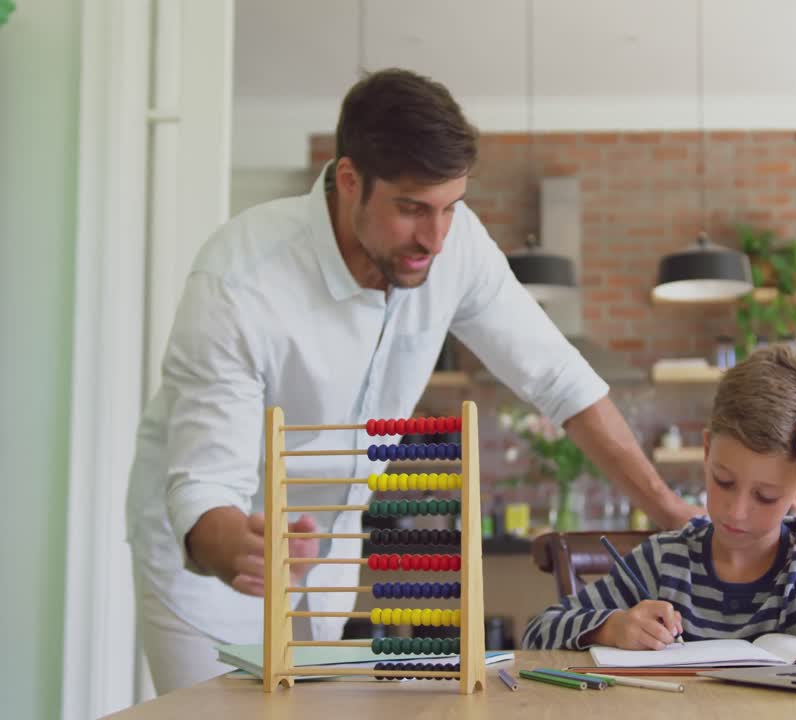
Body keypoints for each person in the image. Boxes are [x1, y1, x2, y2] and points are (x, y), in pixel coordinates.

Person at [125, 68, 698, 693]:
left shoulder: (460, 248)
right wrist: (232, 545)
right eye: (410, 209)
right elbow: (203, 483)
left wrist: (670, 512)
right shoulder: (239, 281)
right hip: (221, 555)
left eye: (450, 207)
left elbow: (561, 380)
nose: (434, 236)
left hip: (331, 547)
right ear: (349, 181)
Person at [522, 345, 796, 650]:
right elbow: (537, 633)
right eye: (723, 481)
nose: (736, 512)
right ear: (707, 451)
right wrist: (612, 628)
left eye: (765, 497)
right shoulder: (665, 561)